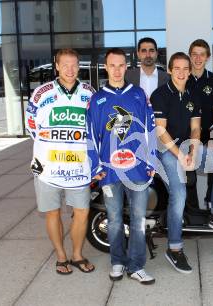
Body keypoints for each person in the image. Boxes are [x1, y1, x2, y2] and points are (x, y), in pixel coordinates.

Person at [151, 52, 213, 274]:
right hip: (166, 150)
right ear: (169, 70)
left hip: (188, 147)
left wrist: (194, 151)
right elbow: (160, 131)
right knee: (180, 195)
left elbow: (196, 127)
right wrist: (181, 156)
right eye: (177, 68)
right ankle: (174, 249)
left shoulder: (193, 95)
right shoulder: (160, 94)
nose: (182, 72)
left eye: (185, 68)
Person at [86, 48, 157, 284]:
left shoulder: (138, 94)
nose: (117, 70)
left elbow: (150, 130)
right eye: (112, 65)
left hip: (137, 170)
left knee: (138, 220)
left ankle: (136, 266)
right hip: (109, 171)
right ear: (106, 67)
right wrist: (96, 167)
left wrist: (151, 160)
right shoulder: (97, 99)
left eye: (121, 65)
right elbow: (90, 136)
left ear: (127, 67)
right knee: (115, 219)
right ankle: (117, 262)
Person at [25, 48, 95, 275]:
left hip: (79, 166)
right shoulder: (41, 93)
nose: (70, 69)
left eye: (74, 64)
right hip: (49, 166)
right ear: (56, 66)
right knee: (52, 211)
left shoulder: (89, 92)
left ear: (79, 66)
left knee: (82, 211)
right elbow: (31, 126)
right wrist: (52, 148)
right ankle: (61, 256)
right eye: (64, 65)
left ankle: (76, 254)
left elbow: (94, 128)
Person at [187, 39, 213, 209]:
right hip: (186, 138)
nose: (198, 58)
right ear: (190, 56)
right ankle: (192, 211)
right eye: (194, 54)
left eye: (202, 54)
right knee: (189, 176)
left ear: (208, 57)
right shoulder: (182, 79)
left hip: (210, 136)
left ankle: (211, 205)